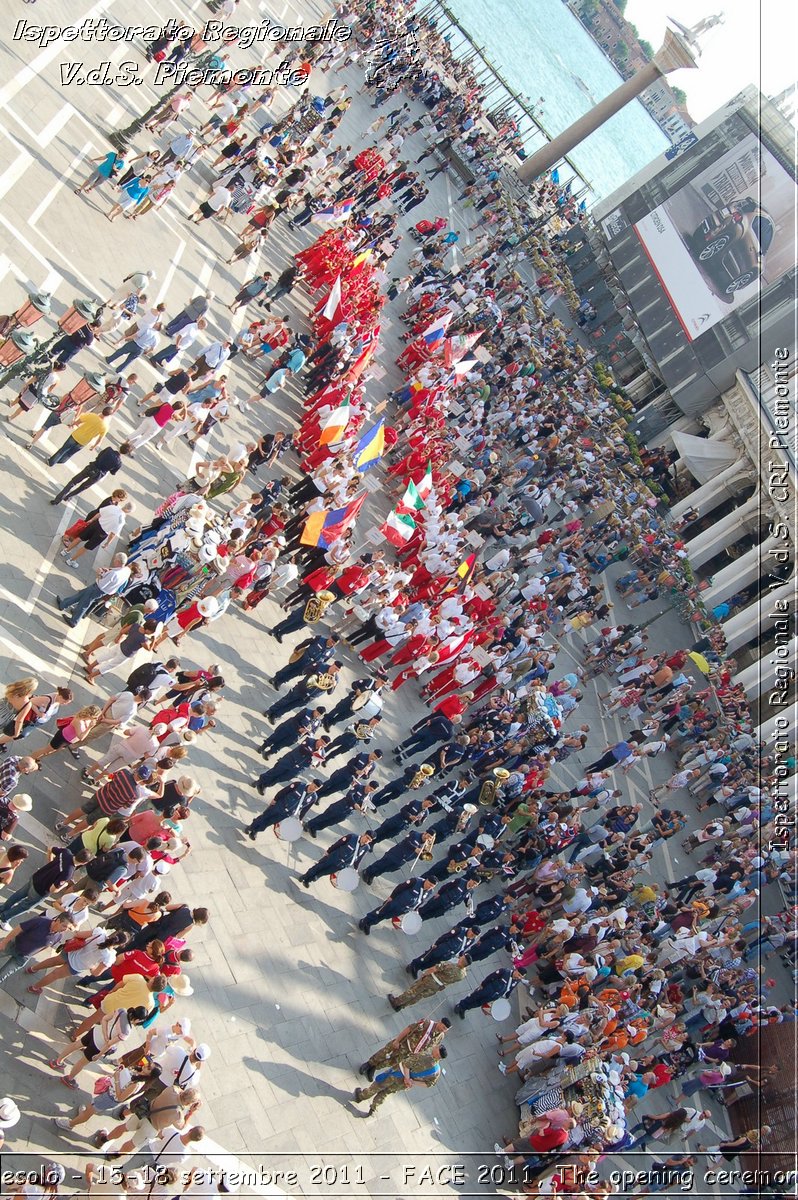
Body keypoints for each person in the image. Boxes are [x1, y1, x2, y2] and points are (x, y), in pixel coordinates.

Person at [353, 1046, 446, 1116]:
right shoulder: (437, 1071)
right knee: (386, 1092)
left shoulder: (424, 1055)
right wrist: (411, 1082)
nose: (435, 1047)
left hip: (397, 1074)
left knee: (378, 1086)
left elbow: (406, 1065)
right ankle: (373, 1108)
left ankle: (361, 1096)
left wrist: (407, 1078)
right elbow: (429, 1084)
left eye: (437, 1048)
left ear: (437, 1053)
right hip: (404, 1084)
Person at [359, 1017, 451, 1080]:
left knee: (390, 1062)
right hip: (403, 1044)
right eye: (442, 1027)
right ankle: (368, 1064)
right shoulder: (427, 1024)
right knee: (383, 1054)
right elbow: (409, 1029)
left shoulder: (440, 1036)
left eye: (445, 1030)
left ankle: (375, 1067)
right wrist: (397, 1041)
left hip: (409, 1053)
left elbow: (430, 1046)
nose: (442, 1030)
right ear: (439, 1022)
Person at [56, 553, 132, 627]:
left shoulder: (114, 574)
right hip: (104, 591)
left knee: (84, 604)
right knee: (80, 595)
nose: (114, 560)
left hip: (98, 589)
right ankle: (64, 604)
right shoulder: (126, 570)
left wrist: (100, 573)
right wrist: (106, 572)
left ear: (118, 561)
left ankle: (74, 621)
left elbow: (101, 584)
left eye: (115, 559)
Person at [0, 913, 75, 984]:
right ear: (58, 921)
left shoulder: (58, 936)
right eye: (64, 926)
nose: (65, 929)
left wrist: (30, 955)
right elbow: (18, 928)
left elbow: (45, 946)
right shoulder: (40, 921)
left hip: (23, 957)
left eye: (68, 928)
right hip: (13, 945)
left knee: (3, 975)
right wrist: (4, 942)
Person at [387, 957, 467, 1011]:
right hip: (438, 986)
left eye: (462, 958)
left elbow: (435, 968)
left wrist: (425, 973)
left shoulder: (451, 966)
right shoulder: (463, 975)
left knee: (414, 991)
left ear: (462, 961)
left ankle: (397, 1002)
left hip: (431, 980)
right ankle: (402, 1006)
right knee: (419, 996)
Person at [48, 407, 114, 466]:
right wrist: (94, 446)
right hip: (84, 441)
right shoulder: (105, 427)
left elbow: (80, 420)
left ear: (102, 410)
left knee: (63, 449)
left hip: (76, 435)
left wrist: (73, 424)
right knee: (70, 453)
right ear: (109, 416)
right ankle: (60, 461)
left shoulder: (92, 416)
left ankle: (51, 461)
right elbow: (100, 439)